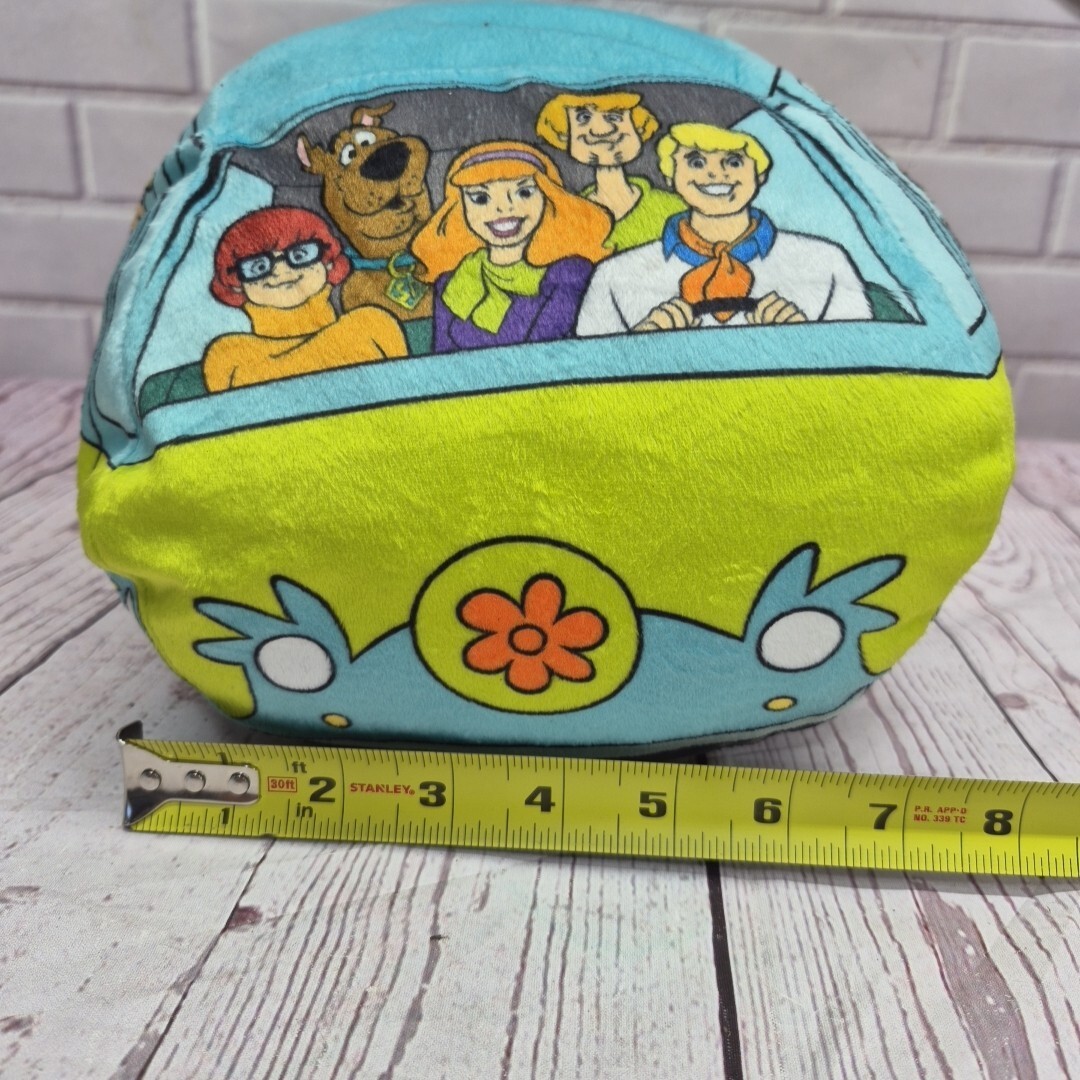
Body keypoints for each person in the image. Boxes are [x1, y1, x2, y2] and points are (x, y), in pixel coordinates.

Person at [575, 124, 872, 337]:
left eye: (733, 161)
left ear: (760, 175)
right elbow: (586, 377)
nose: (715, 173)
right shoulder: (615, 275)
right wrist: (635, 349)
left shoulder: (826, 262)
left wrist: (806, 341)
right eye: (696, 162)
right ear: (670, 177)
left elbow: (865, 361)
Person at [410, 141, 612, 352]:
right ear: (461, 207)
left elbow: (543, 353)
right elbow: (442, 360)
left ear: (547, 196)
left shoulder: (569, 273)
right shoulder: (450, 284)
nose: (503, 208)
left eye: (524, 192)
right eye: (480, 198)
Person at [202, 206, 407, 392]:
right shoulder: (229, 355)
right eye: (259, 266)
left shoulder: (370, 326)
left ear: (328, 262)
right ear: (236, 284)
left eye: (299, 255)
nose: (280, 271)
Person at [535, 91, 686, 253]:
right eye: (584, 117)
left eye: (615, 116)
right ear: (566, 134)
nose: (602, 130)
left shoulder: (674, 208)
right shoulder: (568, 221)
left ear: (637, 127)